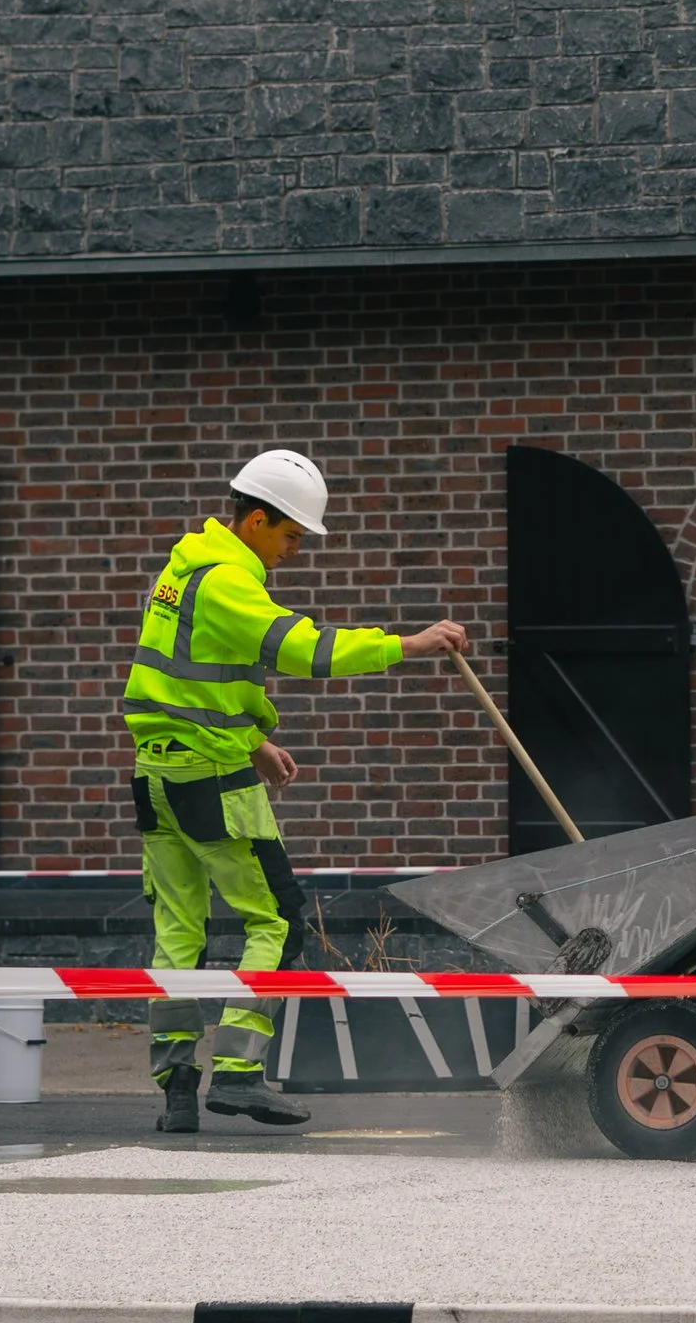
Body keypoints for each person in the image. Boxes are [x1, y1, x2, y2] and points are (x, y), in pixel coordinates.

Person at [128, 448, 466, 1134]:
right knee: (277, 921)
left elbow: (190, 677)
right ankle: (241, 1072)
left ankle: (177, 1087)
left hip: (157, 775)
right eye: (289, 535)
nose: (293, 551)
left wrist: (255, 736)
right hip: (212, 781)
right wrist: (411, 643)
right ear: (254, 520)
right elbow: (306, 649)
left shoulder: (183, 569)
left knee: (177, 935)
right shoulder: (228, 580)